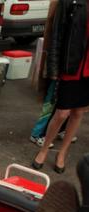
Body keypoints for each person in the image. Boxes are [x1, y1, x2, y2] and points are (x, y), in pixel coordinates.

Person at [32, 0, 88, 174]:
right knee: (62, 113)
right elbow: (56, 36)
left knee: (78, 112)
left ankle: (62, 153)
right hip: (71, 66)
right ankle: (44, 149)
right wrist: (54, 69)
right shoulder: (70, 2)